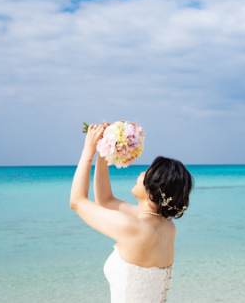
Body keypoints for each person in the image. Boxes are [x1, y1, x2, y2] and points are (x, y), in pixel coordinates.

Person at [70, 123, 194, 303]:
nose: (142, 173)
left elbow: (77, 202)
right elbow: (105, 201)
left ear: (154, 189)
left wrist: (87, 152)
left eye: (148, 172)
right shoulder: (166, 226)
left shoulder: (134, 228)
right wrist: (105, 150)